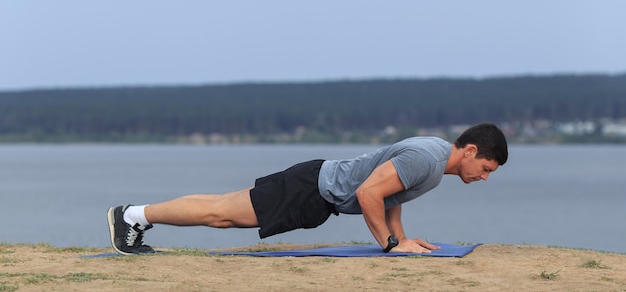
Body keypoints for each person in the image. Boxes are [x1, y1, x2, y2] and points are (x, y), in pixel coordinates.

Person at [107, 123, 508, 255]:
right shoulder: (429, 160)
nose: (484, 177)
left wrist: (402, 240)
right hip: (309, 189)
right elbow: (370, 193)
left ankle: (135, 215)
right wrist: (389, 245)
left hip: (313, 187)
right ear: (470, 150)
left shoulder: (434, 155)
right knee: (221, 214)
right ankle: (131, 216)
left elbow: (389, 195)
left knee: (222, 209)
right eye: (485, 168)